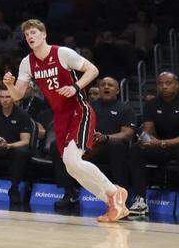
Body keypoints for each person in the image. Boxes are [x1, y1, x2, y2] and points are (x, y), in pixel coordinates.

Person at [2, 19, 128, 223]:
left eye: (33, 33)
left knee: (73, 160)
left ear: (44, 35)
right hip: (60, 116)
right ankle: (112, 200)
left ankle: (115, 193)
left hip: (79, 110)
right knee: (70, 167)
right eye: (27, 35)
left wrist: (76, 87)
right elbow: (17, 96)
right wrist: (9, 85)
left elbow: (93, 70)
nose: (30, 37)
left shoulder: (62, 53)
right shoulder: (27, 62)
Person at [128, 72, 179, 221]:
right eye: (160, 83)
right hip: (161, 146)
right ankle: (140, 200)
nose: (164, 86)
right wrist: (150, 141)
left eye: (168, 83)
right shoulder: (152, 104)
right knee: (136, 149)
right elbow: (147, 131)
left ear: (177, 85)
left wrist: (162, 143)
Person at [55, 77, 133, 211]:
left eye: (110, 85)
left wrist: (106, 138)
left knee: (118, 147)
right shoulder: (88, 107)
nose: (106, 87)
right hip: (88, 147)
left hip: (110, 146)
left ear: (118, 90)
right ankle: (70, 194)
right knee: (59, 148)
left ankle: (120, 194)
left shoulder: (125, 109)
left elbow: (127, 134)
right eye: (103, 85)